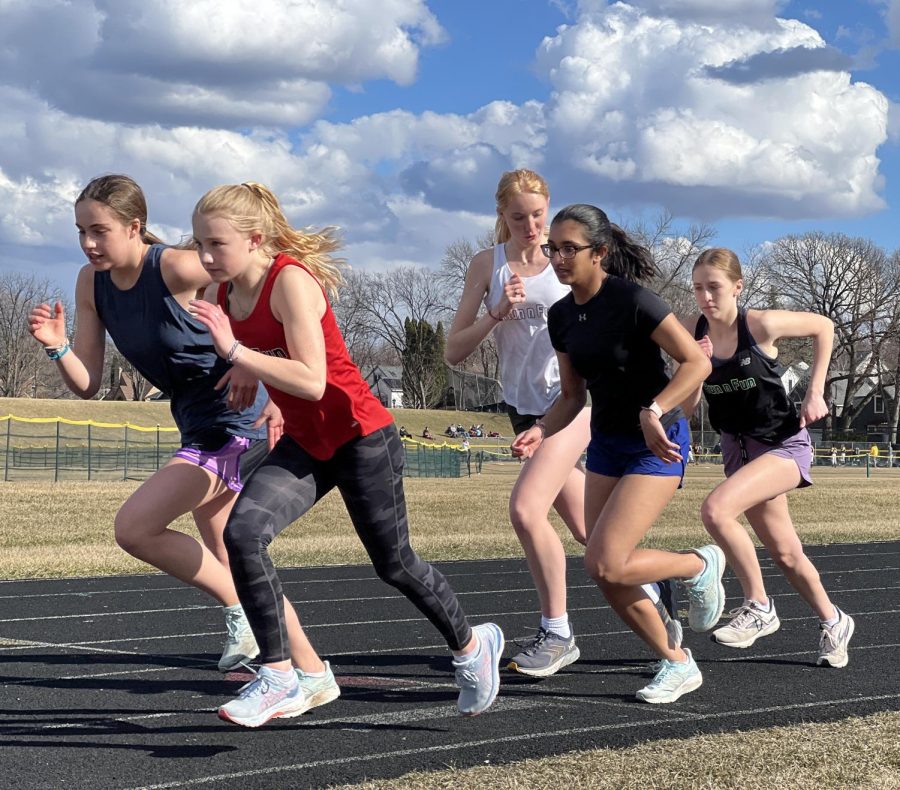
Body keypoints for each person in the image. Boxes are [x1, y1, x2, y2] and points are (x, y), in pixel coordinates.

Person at [189, 181, 504, 728]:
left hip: (362, 438)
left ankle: (472, 646)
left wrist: (237, 352)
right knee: (242, 533)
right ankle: (281, 675)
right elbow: (272, 357)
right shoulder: (223, 297)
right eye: (198, 244)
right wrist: (246, 366)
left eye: (216, 244)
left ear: (255, 240)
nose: (205, 257)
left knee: (395, 565)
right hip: (307, 444)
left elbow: (312, 381)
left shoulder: (289, 282)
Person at [27, 174, 278, 673]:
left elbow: (267, 283)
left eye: (99, 231)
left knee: (136, 528)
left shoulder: (178, 266)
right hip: (195, 424)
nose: (88, 243)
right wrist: (57, 346)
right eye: (80, 231)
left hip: (239, 421)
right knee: (229, 549)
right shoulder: (90, 281)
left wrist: (251, 360)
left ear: (134, 227)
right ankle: (286, 668)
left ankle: (245, 616)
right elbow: (89, 383)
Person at [445, 171, 680, 679]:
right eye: (518, 217)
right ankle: (655, 583)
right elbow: (454, 351)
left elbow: (617, 313)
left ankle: (557, 632)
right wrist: (495, 313)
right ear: (500, 215)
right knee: (588, 533)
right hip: (523, 408)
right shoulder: (486, 264)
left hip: (573, 403)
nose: (532, 228)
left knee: (526, 511)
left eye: (538, 216)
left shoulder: (567, 261)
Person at [511, 203, 723, 704]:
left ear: (599, 253)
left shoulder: (634, 300)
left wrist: (657, 409)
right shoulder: (560, 317)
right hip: (606, 442)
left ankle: (696, 565)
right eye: (551, 248)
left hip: (658, 442)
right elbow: (571, 396)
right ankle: (677, 662)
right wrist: (541, 430)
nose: (557, 258)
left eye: (568, 248)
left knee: (605, 563)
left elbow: (695, 364)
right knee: (607, 568)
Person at [685, 247, 854, 666]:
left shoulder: (759, 323)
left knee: (717, 510)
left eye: (714, 287)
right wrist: (681, 418)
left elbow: (824, 326)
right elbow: (687, 391)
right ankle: (834, 621)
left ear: (737, 288)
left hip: (781, 445)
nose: (706, 297)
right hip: (736, 448)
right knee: (785, 552)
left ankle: (759, 606)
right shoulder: (695, 331)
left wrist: (816, 391)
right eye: (698, 288)